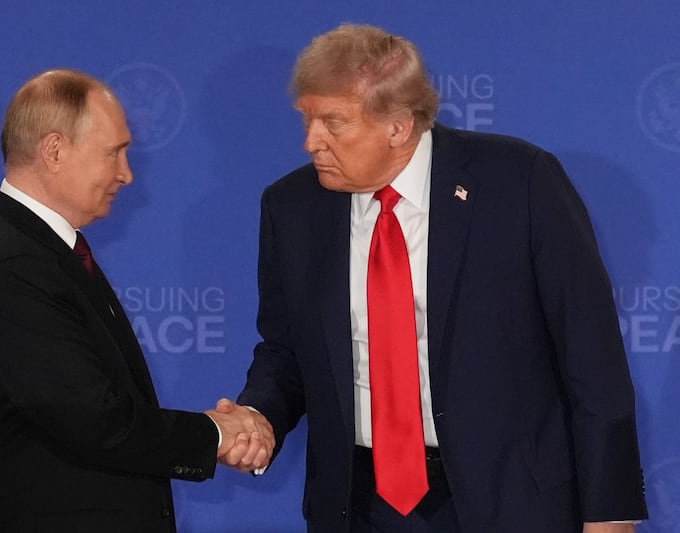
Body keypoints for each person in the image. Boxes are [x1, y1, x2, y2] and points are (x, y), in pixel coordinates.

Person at [220, 24, 648, 532]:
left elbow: (592, 358)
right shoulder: (291, 207)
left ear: (398, 126)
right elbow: (285, 349)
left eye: (333, 122)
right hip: (359, 505)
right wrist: (260, 417)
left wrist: (611, 514)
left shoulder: (519, 181)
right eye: (307, 119)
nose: (311, 141)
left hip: (510, 502)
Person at [0, 68, 273, 533]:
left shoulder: (47, 250)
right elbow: (94, 420)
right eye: (114, 153)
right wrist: (217, 434)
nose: (127, 173)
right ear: (55, 151)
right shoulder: (14, 265)